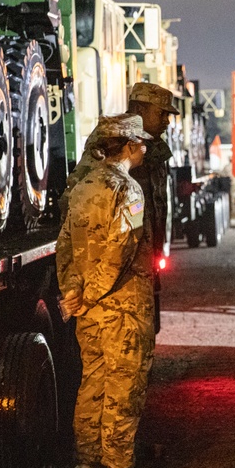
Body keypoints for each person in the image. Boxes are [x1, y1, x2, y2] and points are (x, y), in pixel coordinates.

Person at [56, 113, 164, 468]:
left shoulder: (83, 188)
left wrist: (74, 292)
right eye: (142, 142)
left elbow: (64, 243)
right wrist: (96, 292)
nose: (146, 148)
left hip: (90, 312)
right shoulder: (130, 191)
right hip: (122, 309)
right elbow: (123, 247)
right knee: (123, 393)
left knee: (93, 387)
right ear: (131, 146)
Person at [60, 82, 179, 332]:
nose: (167, 120)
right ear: (140, 110)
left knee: (145, 329)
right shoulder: (112, 141)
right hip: (115, 264)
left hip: (143, 255)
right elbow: (81, 196)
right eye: (162, 113)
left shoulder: (154, 148)